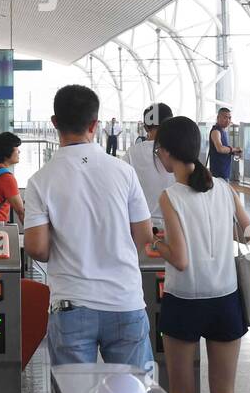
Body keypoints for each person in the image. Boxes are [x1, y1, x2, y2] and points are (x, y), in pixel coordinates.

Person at [25, 85, 154, 367]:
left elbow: (37, 248)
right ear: (95, 124)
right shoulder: (124, 172)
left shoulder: (40, 180)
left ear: (55, 123)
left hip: (71, 305)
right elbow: (144, 239)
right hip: (125, 302)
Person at [151, 116, 250, 393]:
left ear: (167, 152)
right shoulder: (224, 188)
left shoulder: (170, 196)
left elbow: (181, 260)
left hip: (184, 300)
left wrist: (156, 241)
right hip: (225, 299)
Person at [123, 103, 175, 229]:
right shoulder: (177, 150)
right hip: (174, 223)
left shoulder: (132, 152)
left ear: (146, 126)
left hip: (141, 223)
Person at [206, 107, 239, 183]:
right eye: (225, 117)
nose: (228, 120)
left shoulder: (223, 131)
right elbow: (220, 149)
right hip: (218, 173)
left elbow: (224, 150)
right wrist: (234, 149)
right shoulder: (216, 131)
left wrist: (233, 152)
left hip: (224, 171)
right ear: (218, 118)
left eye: (229, 118)